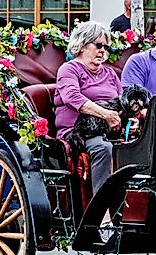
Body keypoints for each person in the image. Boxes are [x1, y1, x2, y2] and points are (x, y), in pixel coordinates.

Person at [54, 20, 125, 195]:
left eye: (106, 47)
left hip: (108, 131)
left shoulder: (109, 73)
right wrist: (106, 115)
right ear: (83, 45)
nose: (103, 50)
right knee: (103, 147)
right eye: (98, 45)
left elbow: (122, 101)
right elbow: (72, 97)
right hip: (79, 132)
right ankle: (101, 213)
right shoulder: (69, 69)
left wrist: (129, 119)